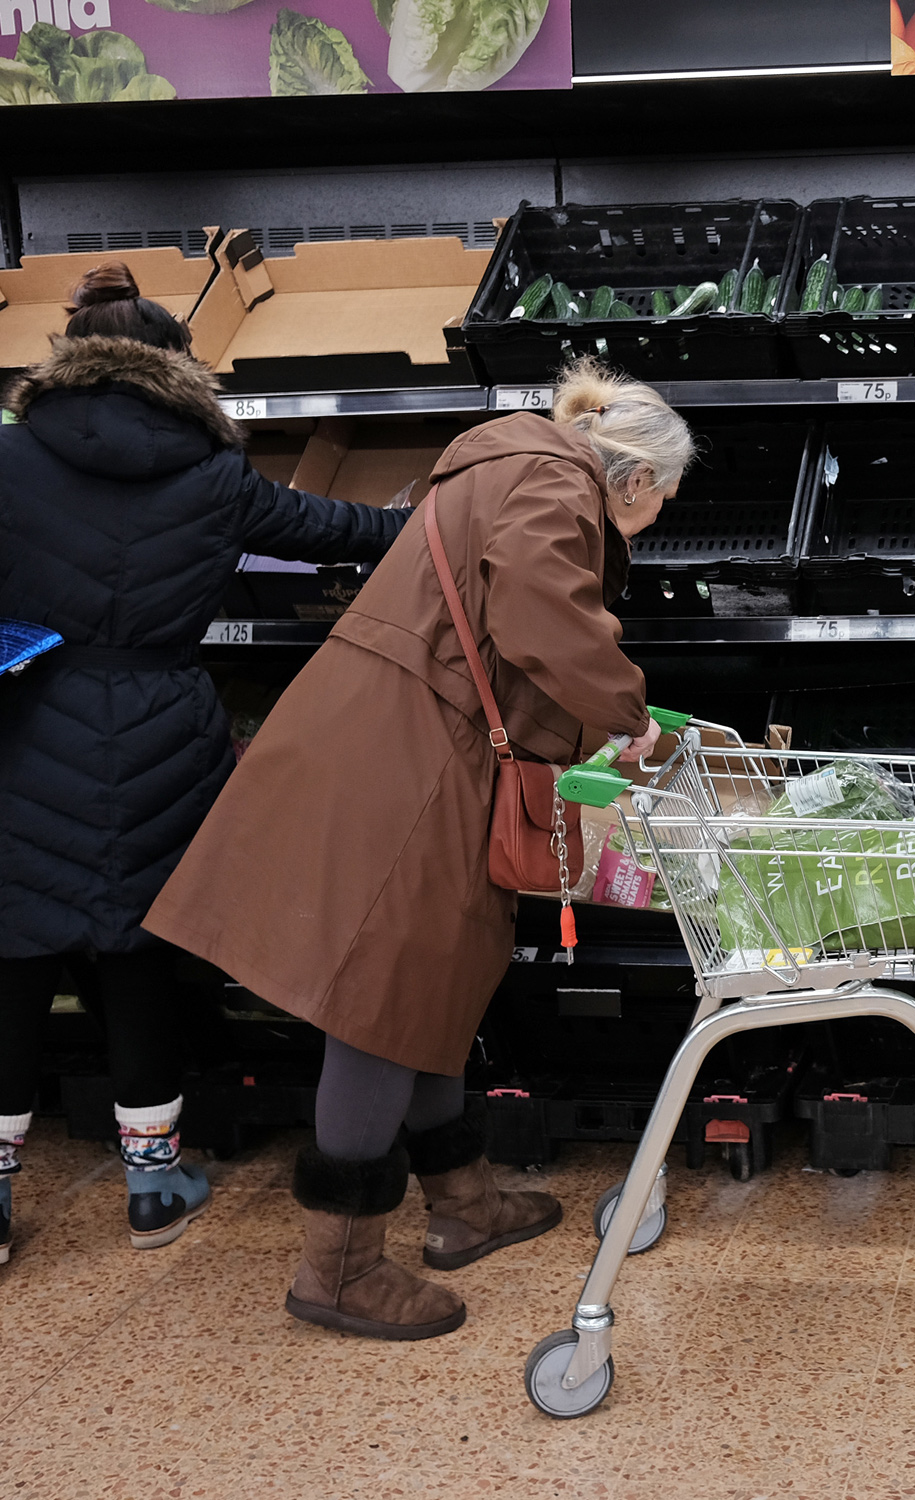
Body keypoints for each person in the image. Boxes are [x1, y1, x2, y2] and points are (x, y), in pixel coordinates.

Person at [146, 358, 694, 1340]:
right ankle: (340, 1267)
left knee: (430, 978)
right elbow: (537, 615)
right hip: (407, 762)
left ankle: (461, 1202)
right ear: (637, 479)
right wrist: (629, 716)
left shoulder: (506, 463)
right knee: (378, 997)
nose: (650, 527)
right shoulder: (554, 481)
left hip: (396, 741)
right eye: (662, 504)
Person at [0, 263, 411, 1269]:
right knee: (139, 960)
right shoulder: (214, 473)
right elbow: (339, 533)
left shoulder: (6, 460)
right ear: (179, 368)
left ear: (67, 360)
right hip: (162, 730)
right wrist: (438, 518)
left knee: (12, 967)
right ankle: (153, 1185)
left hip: (23, 726)